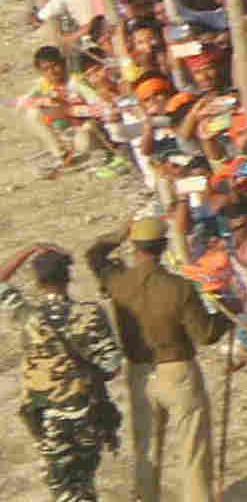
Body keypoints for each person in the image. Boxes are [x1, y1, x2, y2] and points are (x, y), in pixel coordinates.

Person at [87, 215, 220, 502]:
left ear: (134, 246)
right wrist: (225, 317)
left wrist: (119, 232)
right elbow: (205, 334)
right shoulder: (179, 287)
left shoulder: (117, 282)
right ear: (163, 246)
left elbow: (94, 254)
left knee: (146, 449)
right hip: (178, 370)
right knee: (193, 450)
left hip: (139, 373)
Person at [0, 241, 123, 502]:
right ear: (68, 277)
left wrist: (29, 249)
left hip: (48, 418)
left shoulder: (28, 316)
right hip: (89, 411)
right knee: (85, 484)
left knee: (63, 490)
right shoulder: (89, 313)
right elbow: (113, 366)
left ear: (37, 280)